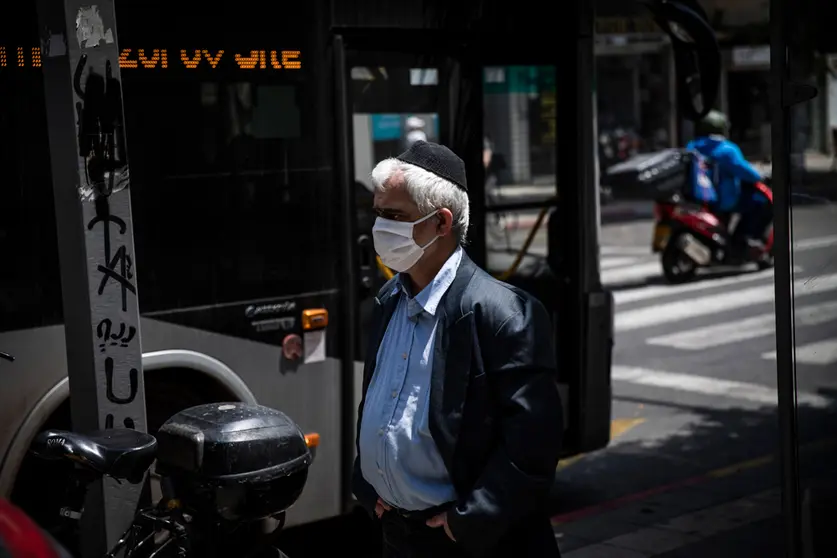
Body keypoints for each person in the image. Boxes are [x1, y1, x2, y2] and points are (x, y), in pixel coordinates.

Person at [353, 140, 564, 558]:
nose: (380, 228)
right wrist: (365, 483)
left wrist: (466, 521)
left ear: (441, 222)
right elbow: (379, 405)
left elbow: (531, 447)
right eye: (378, 214)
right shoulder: (387, 300)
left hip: (467, 543)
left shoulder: (505, 314)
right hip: (398, 534)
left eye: (394, 216)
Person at [687, 110, 771, 255]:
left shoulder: (691, 147)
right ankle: (742, 239)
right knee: (761, 202)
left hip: (698, 199)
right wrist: (761, 175)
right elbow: (748, 173)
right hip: (723, 201)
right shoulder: (727, 149)